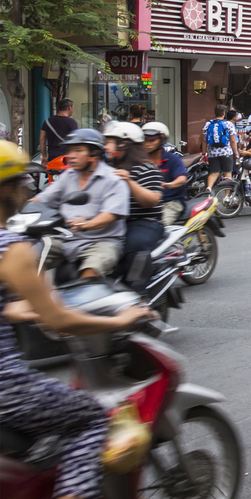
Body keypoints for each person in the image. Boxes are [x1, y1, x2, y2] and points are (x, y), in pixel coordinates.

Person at [0, 139, 154, 499]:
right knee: (94, 418)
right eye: (22, 181)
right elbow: (59, 321)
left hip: (97, 245)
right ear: (6, 189)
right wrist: (120, 322)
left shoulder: (114, 178)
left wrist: (18, 308)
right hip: (7, 388)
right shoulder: (12, 249)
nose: (27, 188)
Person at [35, 128, 129, 280]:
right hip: (67, 238)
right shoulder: (68, 176)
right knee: (27, 257)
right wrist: (22, 211)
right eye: (70, 151)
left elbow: (110, 215)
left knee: (89, 274)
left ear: (93, 154)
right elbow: (44, 198)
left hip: (101, 242)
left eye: (78, 151)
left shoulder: (113, 180)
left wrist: (87, 224)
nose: (71, 156)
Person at [103, 120, 166, 278]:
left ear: (124, 144)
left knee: (135, 245)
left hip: (144, 221)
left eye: (110, 142)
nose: (105, 147)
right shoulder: (105, 168)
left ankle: (139, 295)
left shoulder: (146, 168)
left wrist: (129, 181)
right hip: (112, 221)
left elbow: (152, 200)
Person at [140, 122, 188, 227]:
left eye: (152, 140)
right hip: (149, 203)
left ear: (162, 141)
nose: (147, 144)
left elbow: (182, 178)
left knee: (160, 227)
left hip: (171, 203)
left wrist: (166, 185)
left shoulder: (173, 159)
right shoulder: (141, 161)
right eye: (145, 140)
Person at [201, 103, 239, 194]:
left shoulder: (208, 123)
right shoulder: (228, 124)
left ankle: (209, 188)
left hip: (212, 153)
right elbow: (233, 141)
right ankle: (227, 196)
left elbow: (203, 140)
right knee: (227, 173)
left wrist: (203, 154)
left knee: (214, 173)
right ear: (223, 113)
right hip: (226, 152)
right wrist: (236, 153)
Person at [39, 97, 78, 168]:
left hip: (52, 157)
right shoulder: (72, 122)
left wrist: (44, 156)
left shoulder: (47, 121)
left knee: (53, 176)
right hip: (66, 158)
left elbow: (42, 140)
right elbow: (75, 141)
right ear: (69, 107)